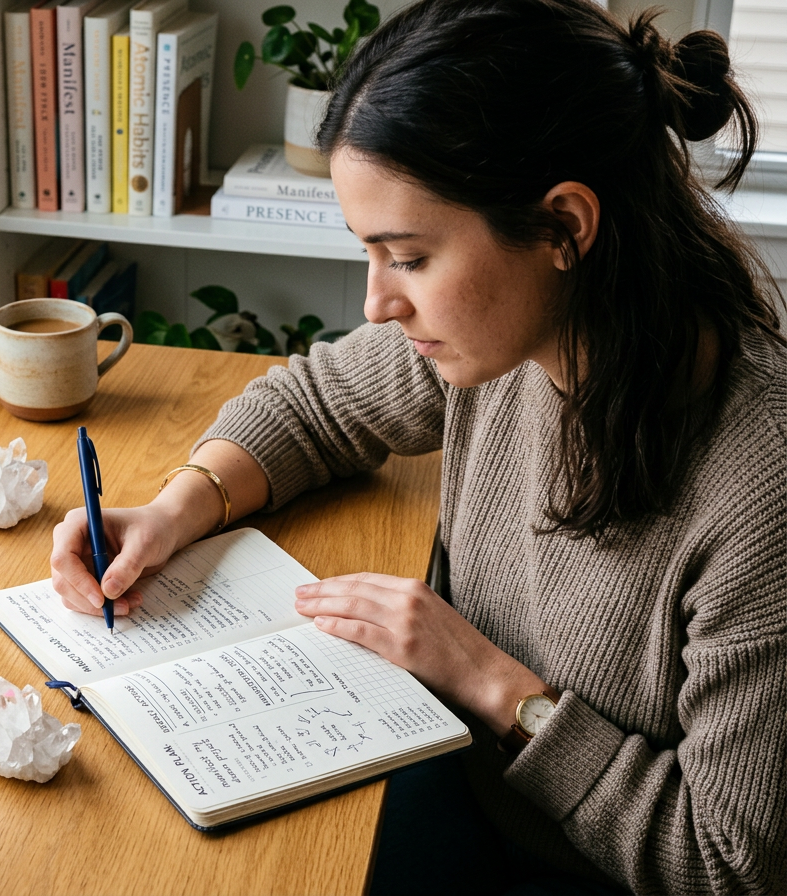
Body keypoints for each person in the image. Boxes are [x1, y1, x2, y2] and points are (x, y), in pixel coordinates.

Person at [49, 0, 787, 892]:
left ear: (564, 227)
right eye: (371, 252)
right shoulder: (513, 337)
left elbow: (730, 866)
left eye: (409, 257)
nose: (377, 304)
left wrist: (489, 680)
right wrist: (178, 507)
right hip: (446, 777)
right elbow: (317, 403)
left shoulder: (760, 490)